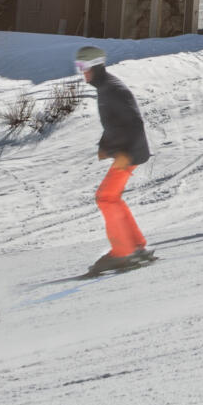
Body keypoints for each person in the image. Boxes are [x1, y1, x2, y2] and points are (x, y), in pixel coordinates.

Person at [77, 45, 154, 275]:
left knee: (105, 198)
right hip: (127, 150)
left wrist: (123, 152)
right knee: (111, 197)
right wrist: (106, 145)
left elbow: (133, 123)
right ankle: (136, 246)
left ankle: (123, 252)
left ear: (95, 65)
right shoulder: (107, 86)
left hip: (129, 152)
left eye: (83, 66)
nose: (82, 72)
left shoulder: (111, 88)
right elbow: (115, 123)